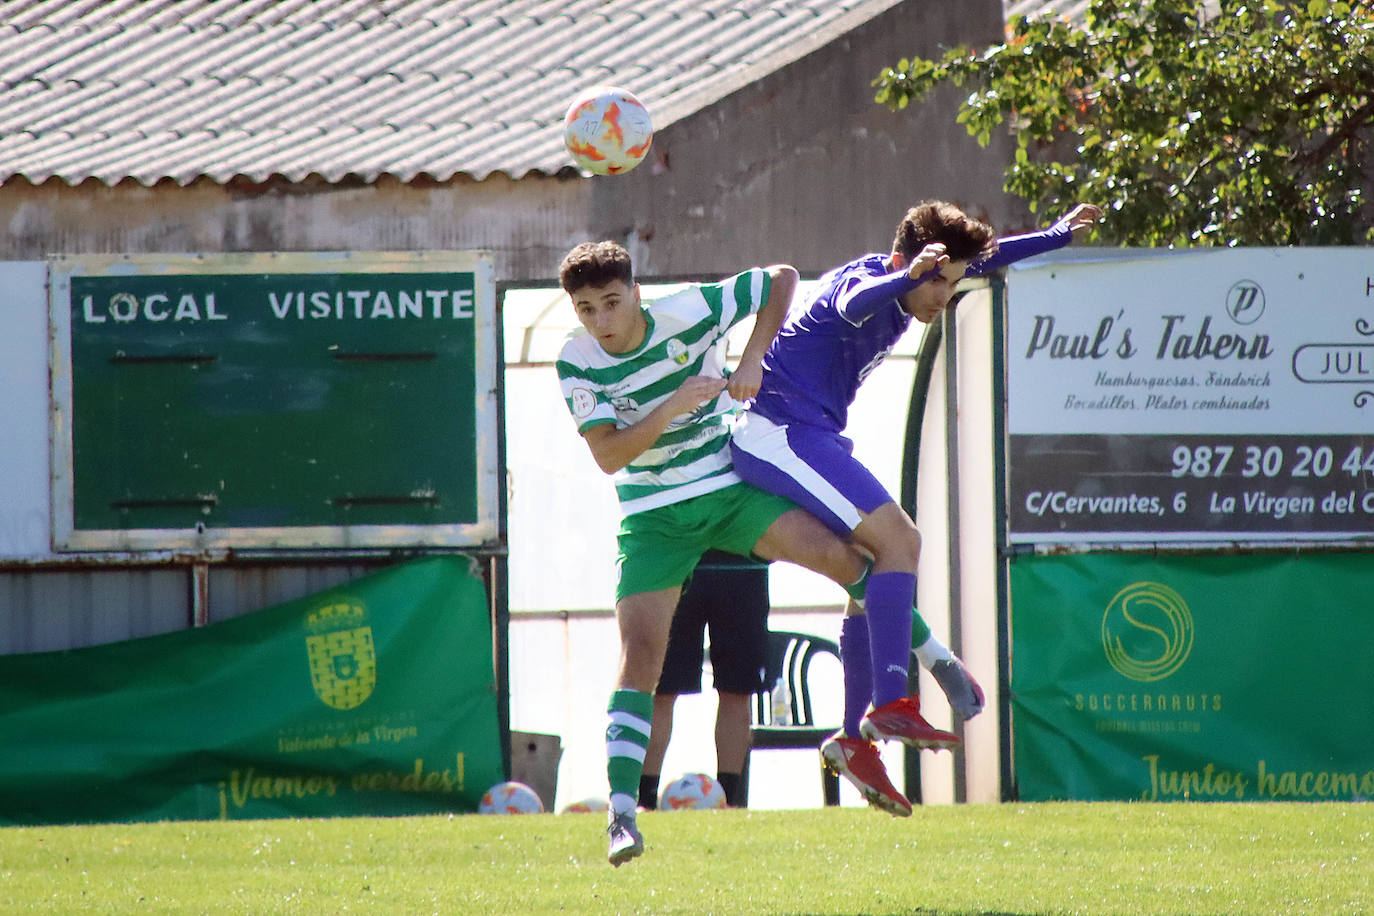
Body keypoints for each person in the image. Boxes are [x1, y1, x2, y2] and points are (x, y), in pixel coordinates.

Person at [730, 201, 1103, 810]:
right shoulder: (870, 281)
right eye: (939, 283)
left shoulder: (922, 280)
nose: (945, 297)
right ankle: (895, 700)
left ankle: (854, 740)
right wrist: (906, 279)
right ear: (907, 264)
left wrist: (1057, 235)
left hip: (809, 435)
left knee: (870, 575)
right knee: (902, 542)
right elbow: (855, 304)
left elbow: (989, 256)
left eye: (953, 284)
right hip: (777, 433)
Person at [558, 240, 919, 867]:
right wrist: (672, 405)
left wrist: (753, 358)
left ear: (636, 293)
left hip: (730, 497)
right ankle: (622, 815)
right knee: (643, 662)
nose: (601, 321)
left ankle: (909, 687)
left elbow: (781, 276)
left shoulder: (689, 310)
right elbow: (610, 456)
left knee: (851, 564)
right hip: (655, 520)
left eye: (611, 303)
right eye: (587, 309)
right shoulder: (574, 359)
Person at [639, 550, 769, 811]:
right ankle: (644, 802)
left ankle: (729, 802)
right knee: (660, 689)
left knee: (736, 690)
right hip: (675, 561)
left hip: (742, 564)